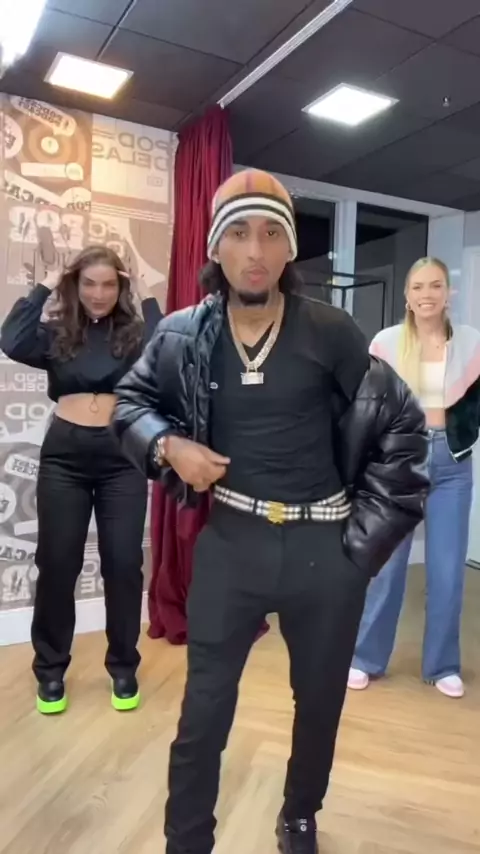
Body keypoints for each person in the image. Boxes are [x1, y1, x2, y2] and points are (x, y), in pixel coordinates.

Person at [111, 170, 429, 854]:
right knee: (203, 711)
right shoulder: (182, 335)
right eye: (238, 233)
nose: (255, 251)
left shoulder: (331, 330)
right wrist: (168, 446)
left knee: (319, 703)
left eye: (271, 234)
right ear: (215, 247)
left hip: (326, 552)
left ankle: (300, 815)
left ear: (289, 250)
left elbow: (404, 428)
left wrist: (362, 549)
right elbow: (130, 405)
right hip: (232, 542)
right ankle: (187, 839)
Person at [0, 244, 162, 715]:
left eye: (109, 284)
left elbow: (165, 346)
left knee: (123, 565)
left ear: (120, 287)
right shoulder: (57, 333)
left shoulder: (133, 334)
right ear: (76, 285)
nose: (99, 293)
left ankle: (123, 667)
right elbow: (11, 339)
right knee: (57, 565)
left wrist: (145, 291)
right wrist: (48, 282)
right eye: (89, 283)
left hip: (122, 459)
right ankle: (50, 670)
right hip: (64, 459)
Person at [349, 257, 480, 700]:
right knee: (387, 567)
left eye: (436, 285)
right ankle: (366, 658)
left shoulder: (471, 342)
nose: (427, 294)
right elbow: (368, 405)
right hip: (400, 464)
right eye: (419, 286)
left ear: (449, 293)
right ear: (407, 295)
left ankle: (442, 665)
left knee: (447, 571)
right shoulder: (385, 343)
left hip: (452, 465)